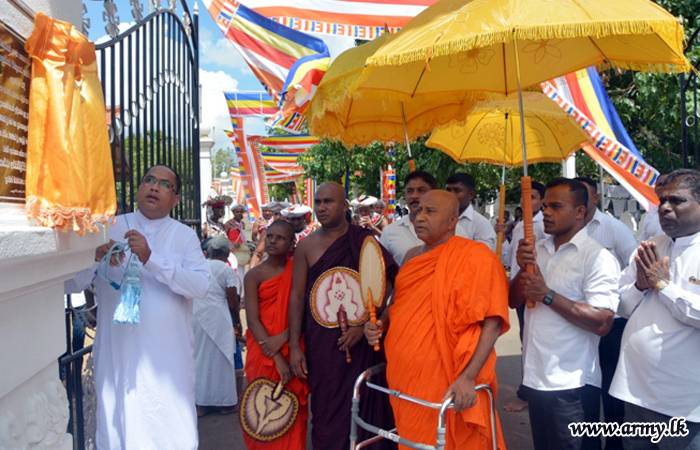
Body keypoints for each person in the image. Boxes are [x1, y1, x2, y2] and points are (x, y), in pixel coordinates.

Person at [68, 165, 210, 449]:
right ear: (138, 189)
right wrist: (93, 258)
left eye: (165, 184)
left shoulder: (184, 236)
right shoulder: (107, 227)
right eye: (149, 180)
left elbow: (200, 286)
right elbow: (69, 285)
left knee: (169, 427)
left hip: (169, 359)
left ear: (176, 199)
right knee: (120, 422)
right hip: (118, 355)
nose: (155, 187)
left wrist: (151, 258)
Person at [366, 190, 510, 449]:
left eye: (430, 211)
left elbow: (492, 323)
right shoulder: (411, 257)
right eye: (419, 210)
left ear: (453, 220)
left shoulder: (477, 257)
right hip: (404, 375)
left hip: (450, 376)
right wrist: (380, 325)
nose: (420, 217)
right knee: (414, 439)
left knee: (454, 439)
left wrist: (468, 377)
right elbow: (395, 306)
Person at [510, 178, 620, 450]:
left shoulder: (596, 257)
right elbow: (512, 301)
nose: (546, 212)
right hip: (536, 379)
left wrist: (547, 295)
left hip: (572, 385)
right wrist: (522, 268)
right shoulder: (538, 251)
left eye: (556, 206)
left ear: (580, 212)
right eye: (545, 206)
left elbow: (603, 322)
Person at [288, 182, 399, 450]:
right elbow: (297, 297)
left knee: (366, 401)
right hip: (322, 344)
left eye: (328, 201)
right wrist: (294, 347)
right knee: (326, 411)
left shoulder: (363, 240)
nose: (322, 207)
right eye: (318, 202)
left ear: (344, 206)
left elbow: (390, 282)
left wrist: (365, 325)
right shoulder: (306, 246)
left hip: (362, 342)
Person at [610, 169, 700, 450]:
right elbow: (622, 308)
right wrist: (639, 285)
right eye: (661, 200)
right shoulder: (652, 246)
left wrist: (663, 286)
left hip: (682, 402)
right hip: (635, 390)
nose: (665, 208)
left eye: (677, 201)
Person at [575, 176, 637, 449]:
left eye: (583, 195)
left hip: (612, 323)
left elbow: (635, 269)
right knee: (582, 387)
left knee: (610, 388)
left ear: (595, 199)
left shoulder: (614, 229)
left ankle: (614, 444)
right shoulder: (562, 232)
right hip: (576, 321)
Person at [243, 220, 309, 449]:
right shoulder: (254, 275)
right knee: (260, 412)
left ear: (292, 244)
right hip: (263, 352)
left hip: (292, 345)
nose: (272, 241)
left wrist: (284, 338)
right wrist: (277, 356)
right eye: (269, 236)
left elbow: (304, 309)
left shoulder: (299, 271)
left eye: (280, 238)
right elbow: (252, 320)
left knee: (290, 414)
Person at [503, 181, 546, 413]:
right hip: (519, 284)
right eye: (525, 197)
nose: (526, 201)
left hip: (533, 286)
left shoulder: (539, 225)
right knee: (525, 339)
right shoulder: (521, 222)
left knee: (531, 340)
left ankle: (526, 392)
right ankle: (529, 388)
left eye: (533, 198)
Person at [194, 236, 240, 417]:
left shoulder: (198, 266)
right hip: (218, 318)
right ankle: (226, 403)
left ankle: (201, 404)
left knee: (200, 358)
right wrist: (237, 323)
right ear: (227, 254)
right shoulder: (226, 270)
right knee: (222, 359)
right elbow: (233, 302)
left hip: (197, 315)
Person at [381, 171, 468, 265]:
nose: (414, 196)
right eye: (409, 191)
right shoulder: (390, 232)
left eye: (421, 191)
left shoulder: (458, 232)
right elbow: (383, 271)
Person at [445, 172, 497, 251]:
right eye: (448, 190)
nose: (451, 195)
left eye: (457, 190)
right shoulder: (438, 219)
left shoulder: (481, 224)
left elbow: (482, 256)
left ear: (471, 195)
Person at [637, 173, 668, 243]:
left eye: (666, 184)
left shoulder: (681, 213)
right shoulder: (650, 216)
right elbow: (642, 242)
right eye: (660, 185)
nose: (663, 187)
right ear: (655, 189)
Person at [226, 203, 249, 284]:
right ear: (233, 212)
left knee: (241, 271)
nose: (239, 213)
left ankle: (240, 288)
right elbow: (224, 237)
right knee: (234, 270)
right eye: (237, 211)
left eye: (240, 212)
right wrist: (231, 244)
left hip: (241, 251)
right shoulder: (228, 224)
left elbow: (244, 237)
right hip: (232, 251)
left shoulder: (242, 224)